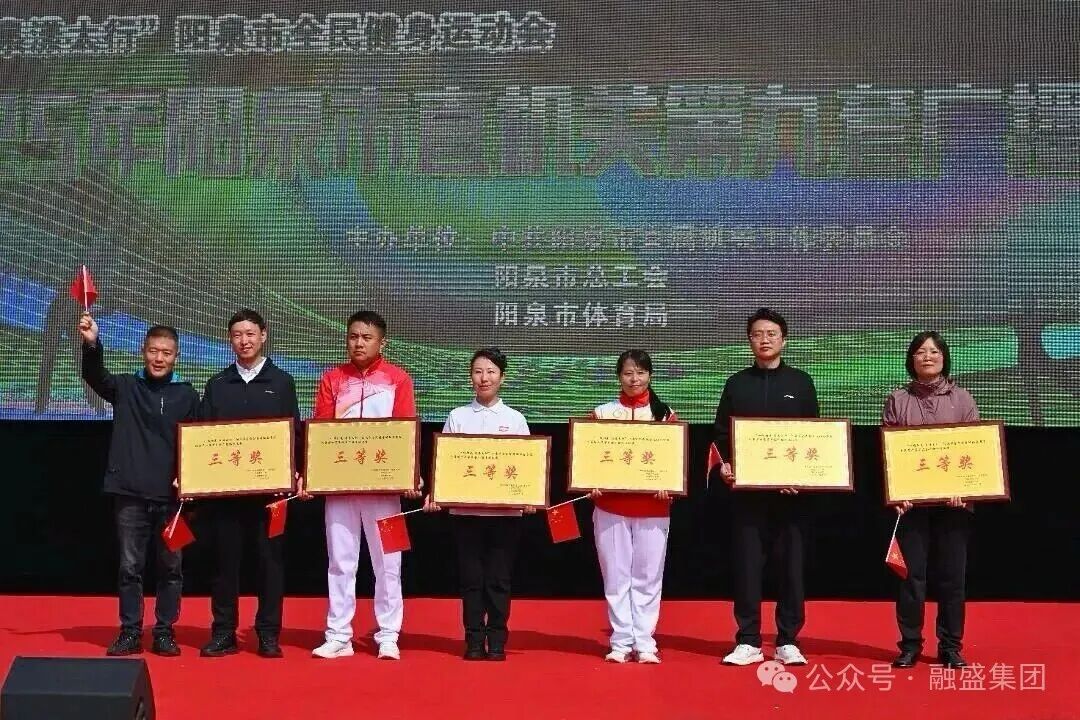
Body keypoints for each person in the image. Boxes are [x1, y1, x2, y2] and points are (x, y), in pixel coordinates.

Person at [78, 313, 199, 656]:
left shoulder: (187, 395)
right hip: (130, 493)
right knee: (130, 568)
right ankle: (130, 631)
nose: (159, 358)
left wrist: (189, 478)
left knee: (171, 569)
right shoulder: (125, 387)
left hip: (172, 499)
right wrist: (92, 343)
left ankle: (164, 632)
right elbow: (94, 375)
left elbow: (199, 444)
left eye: (167, 353)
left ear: (176, 357)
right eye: (153, 351)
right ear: (142, 351)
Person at [311, 311, 421, 661]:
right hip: (341, 487)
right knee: (340, 561)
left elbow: (407, 428)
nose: (359, 343)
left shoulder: (398, 379)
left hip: (384, 490)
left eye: (366, 337)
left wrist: (410, 473)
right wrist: (313, 473)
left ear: (381, 342)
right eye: (353, 336)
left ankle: (388, 634)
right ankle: (338, 634)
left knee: (388, 562)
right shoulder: (332, 378)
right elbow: (321, 429)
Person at [713, 308, 819, 667]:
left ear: (784, 340)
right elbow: (721, 435)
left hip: (791, 496)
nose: (765, 339)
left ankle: (788, 640)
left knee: (791, 567)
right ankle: (748, 640)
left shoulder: (801, 383)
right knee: (747, 567)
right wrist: (725, 465)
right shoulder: (736, 384)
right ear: (749, 341)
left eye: (772, 333)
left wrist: (801, 475)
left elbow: (815, 437)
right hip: (748, 495)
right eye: (758, 334)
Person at [198, 309, 302, 659]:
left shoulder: (282, 382)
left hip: (270, 494)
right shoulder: (217, 384)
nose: (244, 341)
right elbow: (203, 437)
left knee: (270, 563)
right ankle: (223, 632)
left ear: (263, 335)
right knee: (224, 564)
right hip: (226, 494)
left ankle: (268, 634)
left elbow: (294, 432)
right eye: (237, 335)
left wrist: (294, 473)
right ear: (230, 340)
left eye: (250, 334)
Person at [424, 348, 533, 661]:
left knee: (498, 580)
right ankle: (473, 640)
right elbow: (445, 463)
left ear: (502, 378)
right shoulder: (458, 416)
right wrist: (437, 492)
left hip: (505, 515)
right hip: (466, 513)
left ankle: (497, 640)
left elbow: (528, 466)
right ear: (470, 376)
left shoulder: (515, 419)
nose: (484, 378)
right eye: (478, 371)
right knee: (471, 580)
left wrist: (529, 496)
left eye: (491, 372)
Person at [884, 331, 979, 669]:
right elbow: (889, 453)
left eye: (935, 351)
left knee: (952, 578)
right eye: (921, 352)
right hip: (912, 506)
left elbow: (975, 451)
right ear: (911, 360)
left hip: (953, 506)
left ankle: (950, 646)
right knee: (912, 578)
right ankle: (910, 644)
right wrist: (896, 493)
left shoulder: (963, 399)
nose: (928, 356)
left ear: (944, 358)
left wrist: (965, 489)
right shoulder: (897, 400)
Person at [590, 350, 679, 665]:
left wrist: (670, 483)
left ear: (650, 376)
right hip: (610, 507)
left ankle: (645, 641)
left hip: (653, 508)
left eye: (640, 373)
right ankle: (620, 641)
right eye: (628, 373)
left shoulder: (664, 415)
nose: (634, 379)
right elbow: (588, 460)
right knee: (615, 577)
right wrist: (590, 482)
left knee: (648, 577)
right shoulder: (602, 413)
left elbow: (675, 462)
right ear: (619, 376)